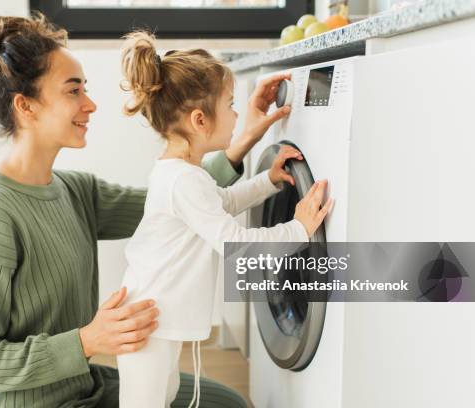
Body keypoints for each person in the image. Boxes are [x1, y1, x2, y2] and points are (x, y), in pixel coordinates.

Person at [0, 12, 325, 408]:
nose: (90, 104)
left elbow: (178, 205)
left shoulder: (75, 192)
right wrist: (87, 341)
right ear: (26, 106)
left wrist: (241, 141)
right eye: (73, 91)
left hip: (85, 386)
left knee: (228, 404)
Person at [115, 31, 333, 408]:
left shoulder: (184, 173)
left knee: (159, 399)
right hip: (144, 326)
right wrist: (298, 228)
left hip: (153, 321)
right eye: (231, 105)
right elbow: (237, 244)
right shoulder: (182, 180)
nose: (237, 114)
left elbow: (225, 201)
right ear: (200, 120)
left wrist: (268, 181)